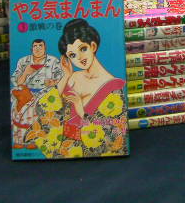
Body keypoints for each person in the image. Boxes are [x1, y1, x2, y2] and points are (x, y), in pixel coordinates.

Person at [50, 18, 127, 157]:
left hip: (87, 150)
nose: (80, 58)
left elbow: (115, 135)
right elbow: (48, 112)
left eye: (83, 49)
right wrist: (65, 76)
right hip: (61, 148)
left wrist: (81, 111)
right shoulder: (72, 77)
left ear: (93, 46)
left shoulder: (113, 87)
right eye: (72, 55)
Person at [10, 39, 62, 149]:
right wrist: (25, 73)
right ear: (31, 48)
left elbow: (60, 76)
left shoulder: (53, 61)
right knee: (19, 117)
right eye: (35, 46)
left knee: (40, 120)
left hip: (45, 95)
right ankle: (19, 140)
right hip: (26, 94)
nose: (38, 48)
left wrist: (53, 82)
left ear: (45, 48)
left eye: (40, 45)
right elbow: (16, 81)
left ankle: (36, 142)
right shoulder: (23, 61)